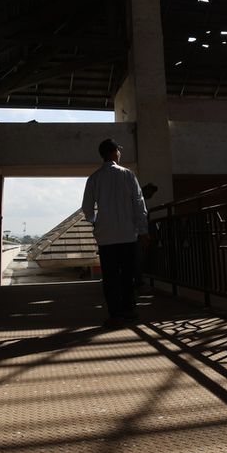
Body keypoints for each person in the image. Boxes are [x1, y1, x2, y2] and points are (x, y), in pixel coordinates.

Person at [82, 138, 149, 327]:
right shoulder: (128, 175)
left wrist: (96, 222)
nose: (120, 153)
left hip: (106, 237)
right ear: (114, 153)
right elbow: (139, 204)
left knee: (110, 277)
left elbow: (87, 209)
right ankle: (129, 310)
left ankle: (115, 314)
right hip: (128, 234)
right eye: (118, 151)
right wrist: (143, 230)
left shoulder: (94, 178)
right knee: (127, 274)